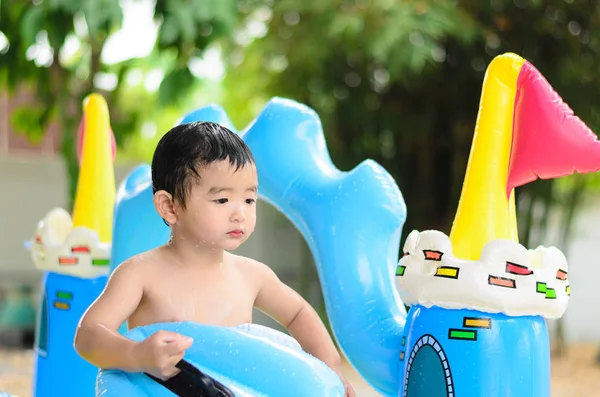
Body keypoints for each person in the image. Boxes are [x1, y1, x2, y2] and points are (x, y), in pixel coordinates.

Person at [74, 121, 355, 396]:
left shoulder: (252, 275)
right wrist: (136, 354)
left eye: (249, 200)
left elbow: (298, 313)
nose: (239, 213)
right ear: (170, 206)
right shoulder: (140, 274)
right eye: (222, 200)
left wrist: (329, 374)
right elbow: (88, 335)